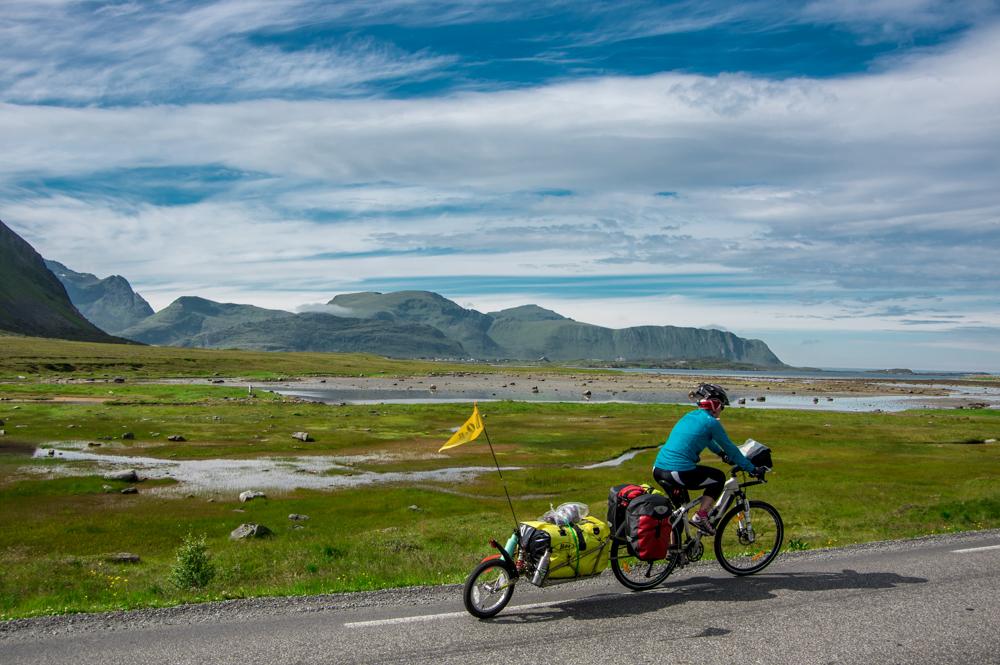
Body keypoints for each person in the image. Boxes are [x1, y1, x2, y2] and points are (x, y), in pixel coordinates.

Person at [652, 383, 761, 535]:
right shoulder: (711, 423)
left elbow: (708, 441)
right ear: (715, 405)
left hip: (658, 469)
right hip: (678, 472)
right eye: (722, 407)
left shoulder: (690, 416)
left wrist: (720, 454)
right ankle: (701, 516)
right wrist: (752, 469)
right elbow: (731, 449)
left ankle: (674, 553)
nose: (721, 411)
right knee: (718, 477)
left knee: (678, 515)